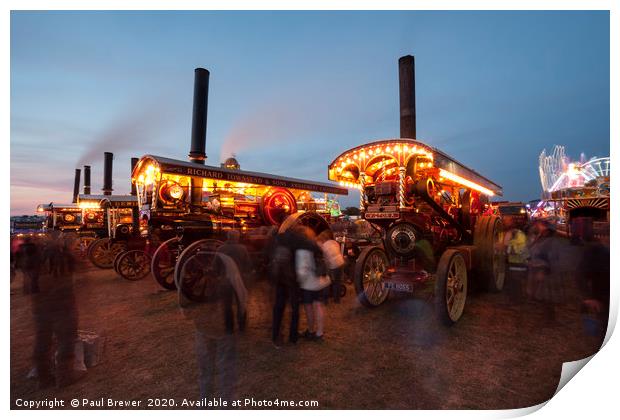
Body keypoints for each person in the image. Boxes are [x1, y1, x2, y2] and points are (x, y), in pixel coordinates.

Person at [178, 251, 248, 403]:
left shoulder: (190, 263)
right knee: (226, 369)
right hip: (225, 323)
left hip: (202, 325)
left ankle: (205, 404)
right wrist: (241, 315)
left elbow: (184, 293)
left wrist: (190, 314)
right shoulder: (227, 260)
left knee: (205, 369)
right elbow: (240, 291)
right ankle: (226, 406)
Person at [31, 232, 84, 388]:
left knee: (43, 341)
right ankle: (64, 377)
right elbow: (73, 279)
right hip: (63, 304)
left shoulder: (37, 258)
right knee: (66, 339)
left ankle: (43, 377)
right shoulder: (64, 257)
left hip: (40, 306)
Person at [526, 219, 563, 323]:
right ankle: (545, 316)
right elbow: (531, 249)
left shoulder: (550, 241)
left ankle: (550, 318)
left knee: (547, 295)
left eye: (540, 225)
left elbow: (551, 257)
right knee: (540, 295)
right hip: (537, 268)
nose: (538, 226)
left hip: (545, 271)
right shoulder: (539, 238)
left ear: (546, 229)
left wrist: (544, 270)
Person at [296, 227, 330, 342]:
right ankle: (320, 333)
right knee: (319, 306)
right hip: (322, 281)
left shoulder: (301, 250)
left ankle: (310, 331)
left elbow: (302, 270)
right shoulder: (318, 245)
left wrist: (299, 281)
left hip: (308, 284)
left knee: (309, 308)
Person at [504, 219, 529, 305]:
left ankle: (518, 300)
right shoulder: (512, 235)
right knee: (513, 282)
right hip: (513, 263)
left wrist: (505, 248)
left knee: (517, 283)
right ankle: (514, 299)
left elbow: (521, 250)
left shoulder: (520, 236)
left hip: (520, 264)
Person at [317, 230, 345, 303]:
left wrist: (326, 269)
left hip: (333, 265)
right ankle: (337, 300)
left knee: (328, 282)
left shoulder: (324, 246)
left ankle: (325, 300)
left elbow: (325, 259)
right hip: (340, 263)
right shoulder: (334, 242)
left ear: (322, 239)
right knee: (337, 282)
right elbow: (338, 251)